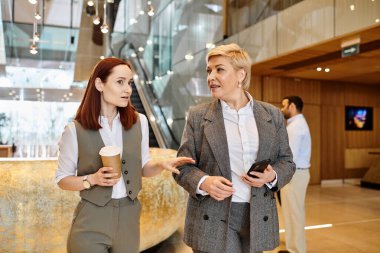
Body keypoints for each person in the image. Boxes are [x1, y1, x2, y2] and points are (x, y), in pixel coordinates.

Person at [55, 57, 194, 253]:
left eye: (129, 83)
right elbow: (62, 179)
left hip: (129, 218)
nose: (128, 89)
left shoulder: (140, 122)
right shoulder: (74, 131)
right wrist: (92, 179)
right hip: (91, 220)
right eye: (120, 82)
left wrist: (162, 164)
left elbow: (144, 168)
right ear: (99, 84)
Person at [174, 43, 296, 253]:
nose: (211, 77)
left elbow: (287, 162)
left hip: (257, 216)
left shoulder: (272, 115)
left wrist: (272, 176)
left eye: (219, 69)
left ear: (241, 75)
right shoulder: (198, 116)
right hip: (212, 215)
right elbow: (182, 167)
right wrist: (205, 182)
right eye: (209, 71)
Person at [279, 96, 311, 253]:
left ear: (292, 106)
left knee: (294, 215)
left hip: (294, 175)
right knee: (292, 214)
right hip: (296, 175)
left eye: (283, 105)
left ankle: (297, 250)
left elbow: (290, 157)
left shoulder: (296, 127)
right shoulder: (296, 124)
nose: (281, 109)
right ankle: (293, 248)